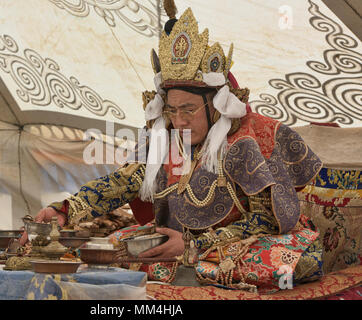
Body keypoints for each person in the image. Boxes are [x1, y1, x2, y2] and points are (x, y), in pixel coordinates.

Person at [20, 2, 323, 292]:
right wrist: (64, 211)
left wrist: (195, 244)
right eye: (172, 110)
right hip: (178, 242)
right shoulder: (166, 138)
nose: (179, 120)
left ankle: (193, 266)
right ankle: (187, 265)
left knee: (285, 263)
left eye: (189, 109)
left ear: (215, 107)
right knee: (100, 254)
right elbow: (124, 181)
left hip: (235, 244)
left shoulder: (244, 141)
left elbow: (267, 220)